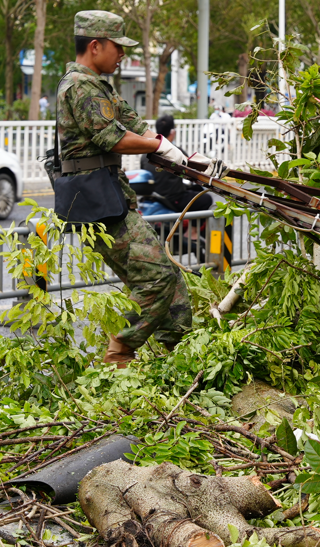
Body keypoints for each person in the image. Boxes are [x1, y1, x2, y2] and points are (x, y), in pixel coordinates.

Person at [58, 10, 194, 367]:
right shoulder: (79, 86)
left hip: (110, 197)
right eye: (118, 48)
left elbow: (134, 124)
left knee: (173, 282)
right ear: (95, 45)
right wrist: (157, 146)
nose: (122, 56)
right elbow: (110, 137)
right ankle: (119, 351)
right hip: (96, 203)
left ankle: (176, 359)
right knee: (158, 278)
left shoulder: (99, 85)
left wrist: (180, 154)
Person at [140, 114, 213, 236]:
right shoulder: (175, 152)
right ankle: (193, 233)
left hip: (154, 197)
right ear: (172, 132)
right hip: (173, 199)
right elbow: (191, 171)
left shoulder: (144, 154)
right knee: (206, 199)